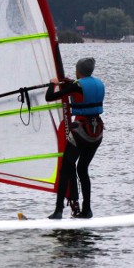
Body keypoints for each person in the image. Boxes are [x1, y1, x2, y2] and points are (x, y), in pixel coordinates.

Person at [45, 57, 104, 219]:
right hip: (97, 132)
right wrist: (71, 83)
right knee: (82, 169)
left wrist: (53, 83)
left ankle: (58, 211)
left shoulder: (76, 86)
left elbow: (49, 97)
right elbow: (83, 90)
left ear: (79, 70)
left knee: (66, 168)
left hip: (81, 133)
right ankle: (87, 210)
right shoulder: (99, 84)